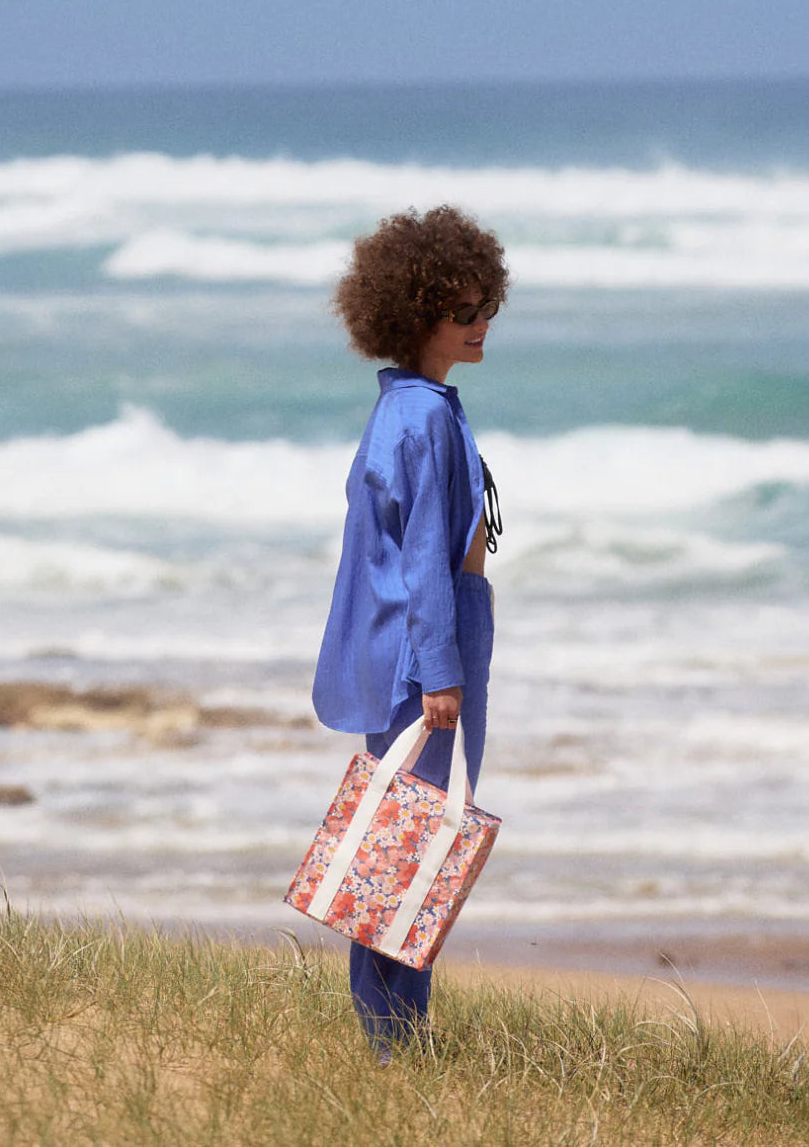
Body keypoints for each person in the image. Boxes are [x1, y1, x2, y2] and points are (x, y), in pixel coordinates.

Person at [312, 204, 508, 1059]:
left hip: (423, 640)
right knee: (411, 847)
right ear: (416, 314)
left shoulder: (413, 405)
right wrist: (441, 670)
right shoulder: (423, 416)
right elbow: (424, 556)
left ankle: (395, 1033)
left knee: (406, 841)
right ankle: (393, 1039)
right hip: (425, 649)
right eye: (463, 310)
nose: (481, 322)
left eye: (488, 305)